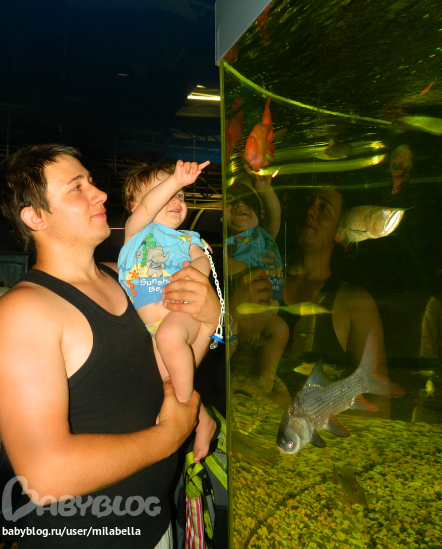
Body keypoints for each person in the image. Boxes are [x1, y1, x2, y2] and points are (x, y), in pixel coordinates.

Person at [0, 144, 220, 549]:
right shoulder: (22, 312)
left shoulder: (126, 280)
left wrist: (209, 319)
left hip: (155, 524)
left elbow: (162, 369)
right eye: (77, 187)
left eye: (92, 182)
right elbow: (46, 477)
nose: (99, 193)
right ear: (35, 216)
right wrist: (171, 434)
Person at [119, 160, 216, 462]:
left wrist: (195, 273)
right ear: (135, 206)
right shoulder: (136, 232)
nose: (176, 198)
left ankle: (183, 408)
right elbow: (150, 206)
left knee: (171, 339)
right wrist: (177, 180)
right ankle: (202, 419)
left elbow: (203, 261)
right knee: (168, 381)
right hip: (154, 328)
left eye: (181, 195)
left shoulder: (188, 239)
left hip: (180, 314)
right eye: (166, 191)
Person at [281, 186, 390, 417]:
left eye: (324, 208)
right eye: (307, 201)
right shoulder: (265, 281)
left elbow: (379, 407)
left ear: (340, 232)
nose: (310, 211)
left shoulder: (354, 303)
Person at [226, 175, 289, 395]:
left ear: (260, 214)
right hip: (239, 312)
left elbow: (275, 213)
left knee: (281, 330)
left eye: (249, 201)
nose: (240, 205)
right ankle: (224, 377)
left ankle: (265, 382)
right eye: (232, 201)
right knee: (230, 338)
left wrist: (265, 189)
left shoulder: (264, 234)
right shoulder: (227, 240)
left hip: (267, 313)